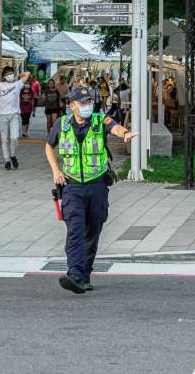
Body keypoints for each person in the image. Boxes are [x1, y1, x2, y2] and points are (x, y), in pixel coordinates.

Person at [45, 86, 137, 294]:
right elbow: (49, 146)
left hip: (97, 185)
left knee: (93, 230)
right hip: (72, 186)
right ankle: (74, 273)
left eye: (89, 102)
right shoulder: (62, 124)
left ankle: (85, 275)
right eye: (82, 102)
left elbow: (115, 127)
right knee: (75, 229)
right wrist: (56, 170)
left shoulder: (99, 120)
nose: (87, 105)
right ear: (72, 106)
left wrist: (125, 134)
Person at [0, 66, 32, 170]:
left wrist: (17, 76)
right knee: (4, 139)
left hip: (14, 114)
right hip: (2, 115)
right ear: (4, 76)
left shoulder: (18, 84)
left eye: (11, 73)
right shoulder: (1, 85)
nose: (10, 75)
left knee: (14, 137)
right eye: (7, 74)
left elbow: (27, 73)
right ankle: (7, 160)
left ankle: (13, 155)